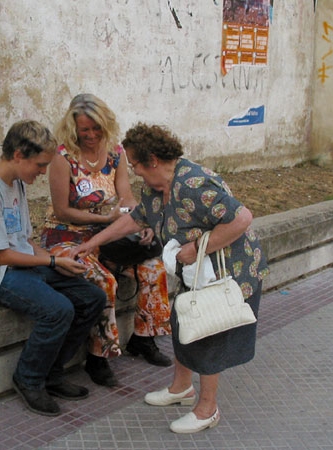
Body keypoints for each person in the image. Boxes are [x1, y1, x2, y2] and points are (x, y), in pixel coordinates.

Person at [72, 123, 269, 434]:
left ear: (151, 160)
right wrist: (94, 242)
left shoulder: (192, 184)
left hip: (230, 270)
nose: (133, 171)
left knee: (208, 335)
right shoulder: (156, 187)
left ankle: (207, 408)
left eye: (134, 163)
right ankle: (181, 387)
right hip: (198, 272)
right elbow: (135, 219)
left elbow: (242, 218)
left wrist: (195, 248)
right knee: (183, 322)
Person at [0, 120, 107, 417]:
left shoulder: (16, 185)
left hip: (21, 262)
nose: (42, 173)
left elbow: (24, 242)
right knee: (58, 309)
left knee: (92, 297)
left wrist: (59, 263)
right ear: (17, 155)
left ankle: (52, 373)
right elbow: (2, 256)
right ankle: (28, 379)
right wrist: (52, 261)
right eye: (39, 166)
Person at [40, 94, 172, 388]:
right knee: (104, 282)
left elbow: (125, 196)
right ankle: (97, 358)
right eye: (84, 129)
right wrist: (105, 220)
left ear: (105, 124)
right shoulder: (62, 158)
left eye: (95, 128)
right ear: (72, 128)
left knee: (153, 266)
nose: (90, 135)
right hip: (67, 234)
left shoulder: (115, 152)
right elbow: (62, 210)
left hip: (108, 232)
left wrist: (139, 222)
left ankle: (144, 339)